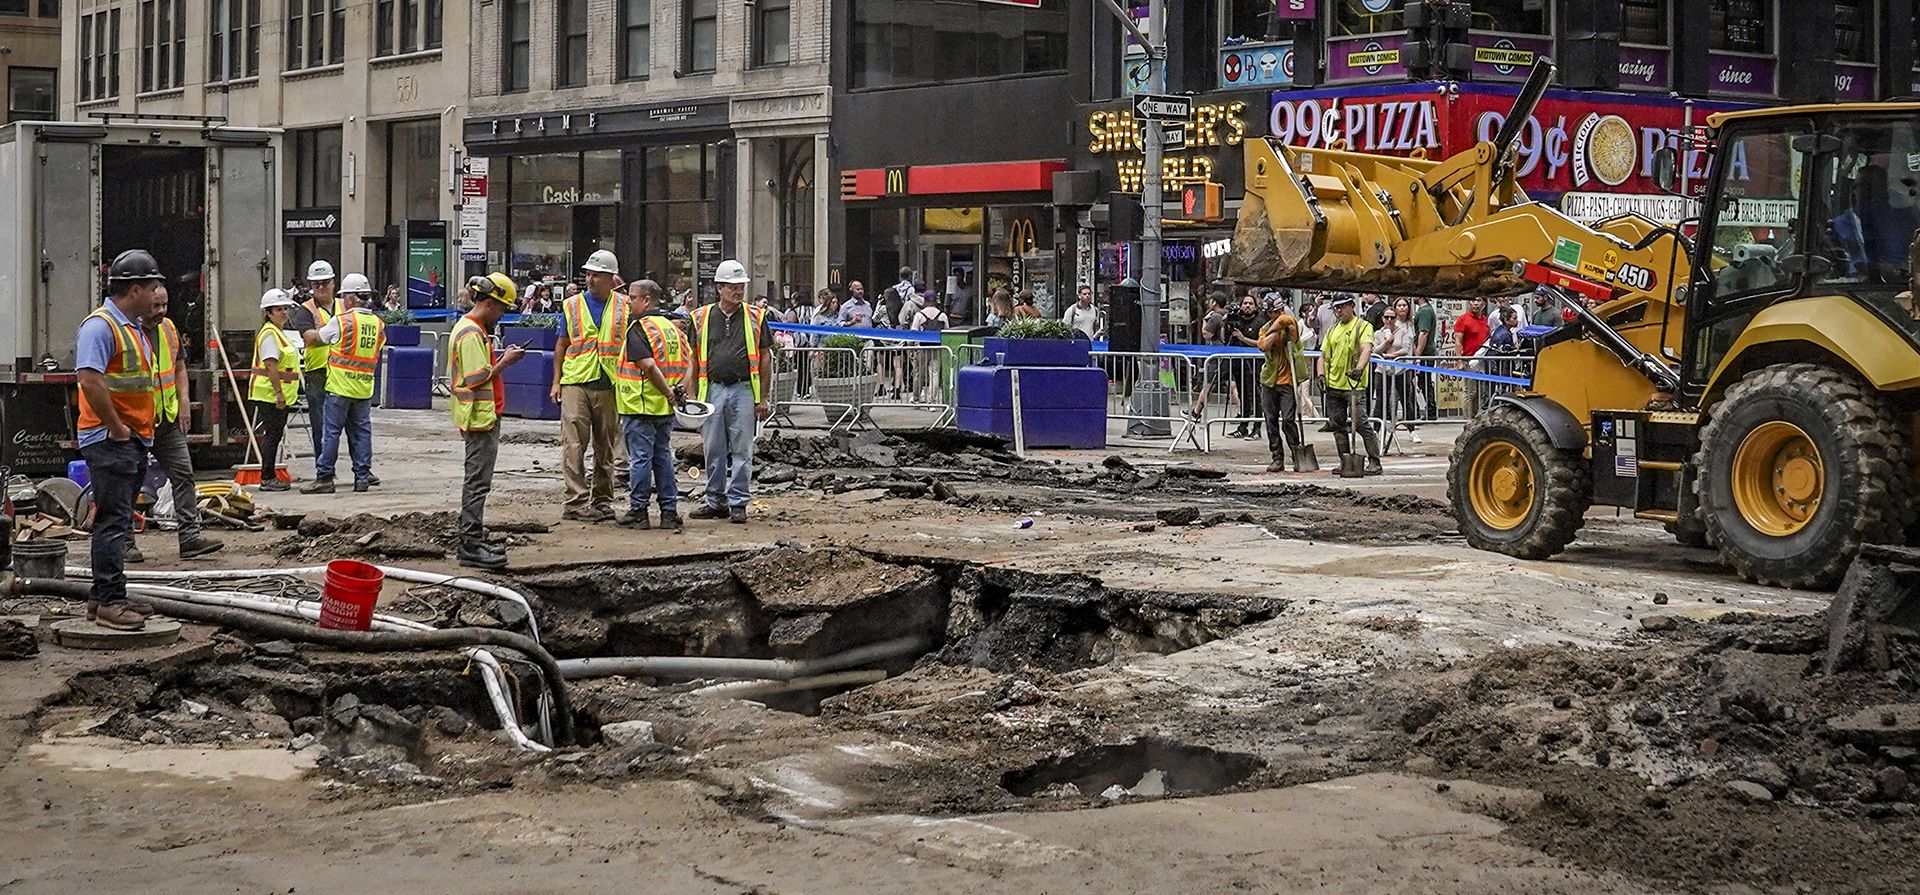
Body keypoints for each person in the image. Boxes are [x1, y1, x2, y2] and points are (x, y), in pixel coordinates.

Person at [76, 250, 166, 631]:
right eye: (152, 286)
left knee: (117, 519)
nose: (157, 293)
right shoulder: (101, 327)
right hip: (111, 439)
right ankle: (111, 601)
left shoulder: (132, 327)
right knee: (112, 522)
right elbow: (89, 379)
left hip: (129, 439)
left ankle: (104, 597)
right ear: (134, 289)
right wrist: (115, 426)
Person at [449, 273, 528, 569]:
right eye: (503, 308)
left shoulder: (472, 329)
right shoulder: (471, 333)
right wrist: (504, 363)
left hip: (481, 417)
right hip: (479, 419)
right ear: (491, 303)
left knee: (478, 481)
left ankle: (473, 538)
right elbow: (474, 377)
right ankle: (469, 544)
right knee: (477, 483)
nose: (502, 314)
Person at [139, 286, 224, 561]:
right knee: (129, 483)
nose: (162, 310)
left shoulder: (168, 329)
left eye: (164, 304)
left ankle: (190, 538)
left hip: (166, 420)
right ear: (142, 304)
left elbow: (179, 367)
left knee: (184, 475)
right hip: (137, 423)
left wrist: (184, 401)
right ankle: (125, 542)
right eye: (156, 306)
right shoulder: (128, 332)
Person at [688, 259, 773, 524]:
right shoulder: (700, 317)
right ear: (719, 288)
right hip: (712, 389)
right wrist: (691, 396)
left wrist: (763, 397)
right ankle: (715, 500)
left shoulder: (755, 317)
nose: (738, 291)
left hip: (743, 389)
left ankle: (738, 502)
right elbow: (692, 359)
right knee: (713, 449)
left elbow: (764, 357)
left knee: (742, 449)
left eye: (741, 286)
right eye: (732, 286)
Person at [551, 249, 628, 522]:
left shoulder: (624, 306)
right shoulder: (572, 305)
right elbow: (561, 345)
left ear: (611, 278)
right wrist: (556, 382)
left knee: (605, 445)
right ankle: (575, 501)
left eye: (596, 275)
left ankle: (603, 500)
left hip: (608, 382)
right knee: (573, 443)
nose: (590, 279)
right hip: (575, 381)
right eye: (588, 274)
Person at [615, 279, 689, 532]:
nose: (628, 302)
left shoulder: (640, 328)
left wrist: (668, 391)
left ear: (646, 300)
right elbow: (689, 362)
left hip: (641, 405)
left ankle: (639, 511)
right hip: (664, 409)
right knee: (663, 458)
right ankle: (669, 512)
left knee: (640, 460)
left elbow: (647, 365)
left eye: (632, 298)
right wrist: (678, 391)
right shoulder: (671, 329)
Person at [300, 273, 385, 493]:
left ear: (350, 298)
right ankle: (362, 477)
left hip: (339, 387)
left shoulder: (342, 321)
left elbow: (319, 338)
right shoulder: (378, 323)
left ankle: (325, 477)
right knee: (362, 433)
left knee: (331, 433)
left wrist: (311, 334)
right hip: (364, 388)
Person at [1322, 293, 1382, 477]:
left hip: (1354, 385)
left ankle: (1374, 461)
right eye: (1335, 308)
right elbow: (1323, 356)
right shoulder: (1333, 330)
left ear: (1351, 305)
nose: (1338, 311)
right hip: (1334, 385)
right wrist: (1320, 374)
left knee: (1360, 423)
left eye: (1341, 307)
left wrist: (1359, 368)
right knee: (1337, 425)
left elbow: (1366, 349)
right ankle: (1345, 461)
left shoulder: (1363, 326)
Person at [249, 289, 303, 493]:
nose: (284, 313)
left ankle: (268, 475)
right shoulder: (270, 334)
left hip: (273, 395)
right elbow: (271, 366)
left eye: (285, 309)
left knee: (274, 435)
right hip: (269, 395)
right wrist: (279, 394)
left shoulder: (277, 333)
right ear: (269, 313)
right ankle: (268, 477)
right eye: (279, 309)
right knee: (272, 436)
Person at [289, 260, 338, 463]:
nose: (320, 288)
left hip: (341, 372)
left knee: (353, 424)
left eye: (324, 283)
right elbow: (309, 337)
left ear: (333, 283)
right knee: (320, 425)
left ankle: (361, 469)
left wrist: (324, 334)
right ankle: (324, 467)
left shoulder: (343, 305)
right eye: (316, 284)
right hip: (317, 374)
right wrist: (335, 334)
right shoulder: (305, 310)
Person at [1255, 294, 1309, 473]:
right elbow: (1263, 346)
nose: (1277, 314)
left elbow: (1287, 320)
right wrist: (1274, 331)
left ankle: (1296, 452)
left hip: (1288, 381)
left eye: (1278, 311)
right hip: (1269, 380)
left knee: (1288, 420)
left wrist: (1278, 326)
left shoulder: (1290, 323)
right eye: (1273, 312)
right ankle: (1277, 457)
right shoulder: (1265, 328)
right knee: (1270, 420)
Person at [1372, 299, 1417, 427]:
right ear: (1383, 318)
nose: (1389, 320)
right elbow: (1375, 350)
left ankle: (1411, 429)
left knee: (1406, 400)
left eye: (1392, 317)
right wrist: (1387, 342)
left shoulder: (1403, 331)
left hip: (1400, 370)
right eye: (1386, 317)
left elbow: (1405, 349)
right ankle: (1377, 429)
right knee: (1381, 400)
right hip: (1382, 370)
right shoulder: (1378, 333)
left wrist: (1390, 355)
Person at [1227, 292, 1264, 438]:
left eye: (1250, 303)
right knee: (1243, 395)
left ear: (1255, 307)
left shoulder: (1260, 321)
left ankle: (1257, 427)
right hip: (1238, 363)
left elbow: (1261, 344)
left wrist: (1243, 338)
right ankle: (1243, 425)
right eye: (1245, 303)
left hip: (1255, 364)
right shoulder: (1238, 320)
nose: (1247, 306)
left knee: (1256, 396)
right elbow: (1227, 339)